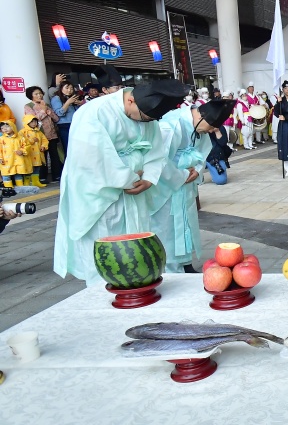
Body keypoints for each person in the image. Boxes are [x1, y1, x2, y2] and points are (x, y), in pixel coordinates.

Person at [54, 79, 187, 286]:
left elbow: (156, 150)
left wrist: (150, 178)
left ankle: (136, 288)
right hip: (102, 192)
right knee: (105, 245)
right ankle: (101, 292)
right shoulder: (94, 113)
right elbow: (93, 158)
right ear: (131, 100)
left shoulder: (147, 118)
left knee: (135, 244)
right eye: (143, 118)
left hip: (135, 189)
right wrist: (130, 177)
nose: (144, 124)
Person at [149, 99, 235, 273]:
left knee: (187, 222)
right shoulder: (172, 124)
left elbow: (202, 151)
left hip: (186, 183)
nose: (210, 132)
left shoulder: (200, 126)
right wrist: (181, 175)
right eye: (210, 127)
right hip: (168, 186)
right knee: (168, 226)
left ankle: (185, 262)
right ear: (201, 116)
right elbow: (159, 159)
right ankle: (170, 267)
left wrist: (196, 169)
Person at [23, 85, 61, 183]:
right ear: (31, 96)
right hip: (39, 136)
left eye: (40, 93)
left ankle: (56, 176)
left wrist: (49, 112)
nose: (39, 95)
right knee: (41, 157)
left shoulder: (46, 104)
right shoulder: (28, 106)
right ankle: (42, 177)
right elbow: (32, 120)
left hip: (52, 134)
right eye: (36, 94)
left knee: (54, 156)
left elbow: (56, 119)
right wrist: (43, 111)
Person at [51, 80, 83, 153]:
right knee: (68, 147)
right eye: (67, 88)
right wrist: (68, 103)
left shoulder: (71, 98)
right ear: (61, 88)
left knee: (77, 147)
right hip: (64, 125)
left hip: (75, 124)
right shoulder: (56, 98)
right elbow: (59, 113)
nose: (69, 90)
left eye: (71, 88)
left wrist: (79, 104)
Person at [17, 115, 49, 188]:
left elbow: (44, 140)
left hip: (37, 155)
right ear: (27, 123)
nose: (34, 123)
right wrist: (31, 141)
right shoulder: (22, 132)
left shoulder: (39, 132)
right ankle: (27, 182)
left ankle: (35, 181)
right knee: (28, 169)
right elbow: (20, 142)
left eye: (35, 121)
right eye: (31, 122)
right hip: (29, 155)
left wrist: (43, 146)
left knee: (37, 168)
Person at [0, 121, 28, 195]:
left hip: (17, 160)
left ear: (13, 127)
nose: (5, 129)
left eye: (7, 127)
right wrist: (0, 158)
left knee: (18, 174)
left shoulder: (20, 138)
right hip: (6, 160)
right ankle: (9, 190)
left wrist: (22, 151)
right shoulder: (1, 139)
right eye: (2, 128)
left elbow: (26, 146)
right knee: (6, 175)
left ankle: (20, 188)